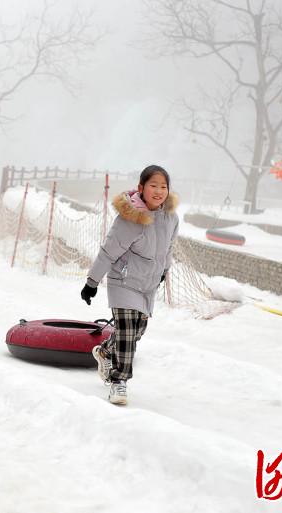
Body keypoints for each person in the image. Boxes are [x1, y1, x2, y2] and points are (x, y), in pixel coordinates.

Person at [81, 165, 179, 405]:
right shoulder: (130, 220)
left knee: (136, 333)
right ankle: (118, 381)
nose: (158, 191)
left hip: (147, 285)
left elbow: (168, 248)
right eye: (153, 185)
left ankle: (104, 352)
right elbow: (108, 252)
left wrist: (164, 271)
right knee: (126, 332)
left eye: (163, 186)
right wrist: (92, 282)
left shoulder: (171, 218)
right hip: (123, 282)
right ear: (141, 188)